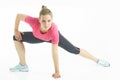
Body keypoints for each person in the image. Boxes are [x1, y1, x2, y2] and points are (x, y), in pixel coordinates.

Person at [10, 5, 110, 78]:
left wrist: (57, 71)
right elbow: (19, 16)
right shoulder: (33, 21)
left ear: (52, 20)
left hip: (51, 38)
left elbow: (54, 52)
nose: (46, 24)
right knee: (16, 37)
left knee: (74, 50)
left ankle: (97, 60)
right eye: (43, 21)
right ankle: (23, 66)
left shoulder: (54, 31)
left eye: (49, 21)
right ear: (39, 20)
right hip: (38, 36)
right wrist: (16, 30)